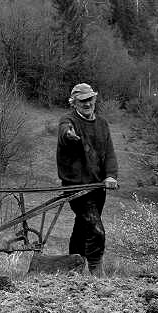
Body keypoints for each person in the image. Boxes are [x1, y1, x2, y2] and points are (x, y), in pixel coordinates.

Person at [56, 83, 118, 275]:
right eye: (82, 100)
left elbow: (109, 153)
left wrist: (110, 175)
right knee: (96, 229)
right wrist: (68, 135)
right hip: (76, 187)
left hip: (97, 186)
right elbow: (64, 132)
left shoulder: (102, 124)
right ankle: (96, 270)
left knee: (83, 226)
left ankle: (73, 266)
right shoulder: (68, 121)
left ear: (94, 99)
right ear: (74, 103)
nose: (87, 103)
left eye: (90, 99)